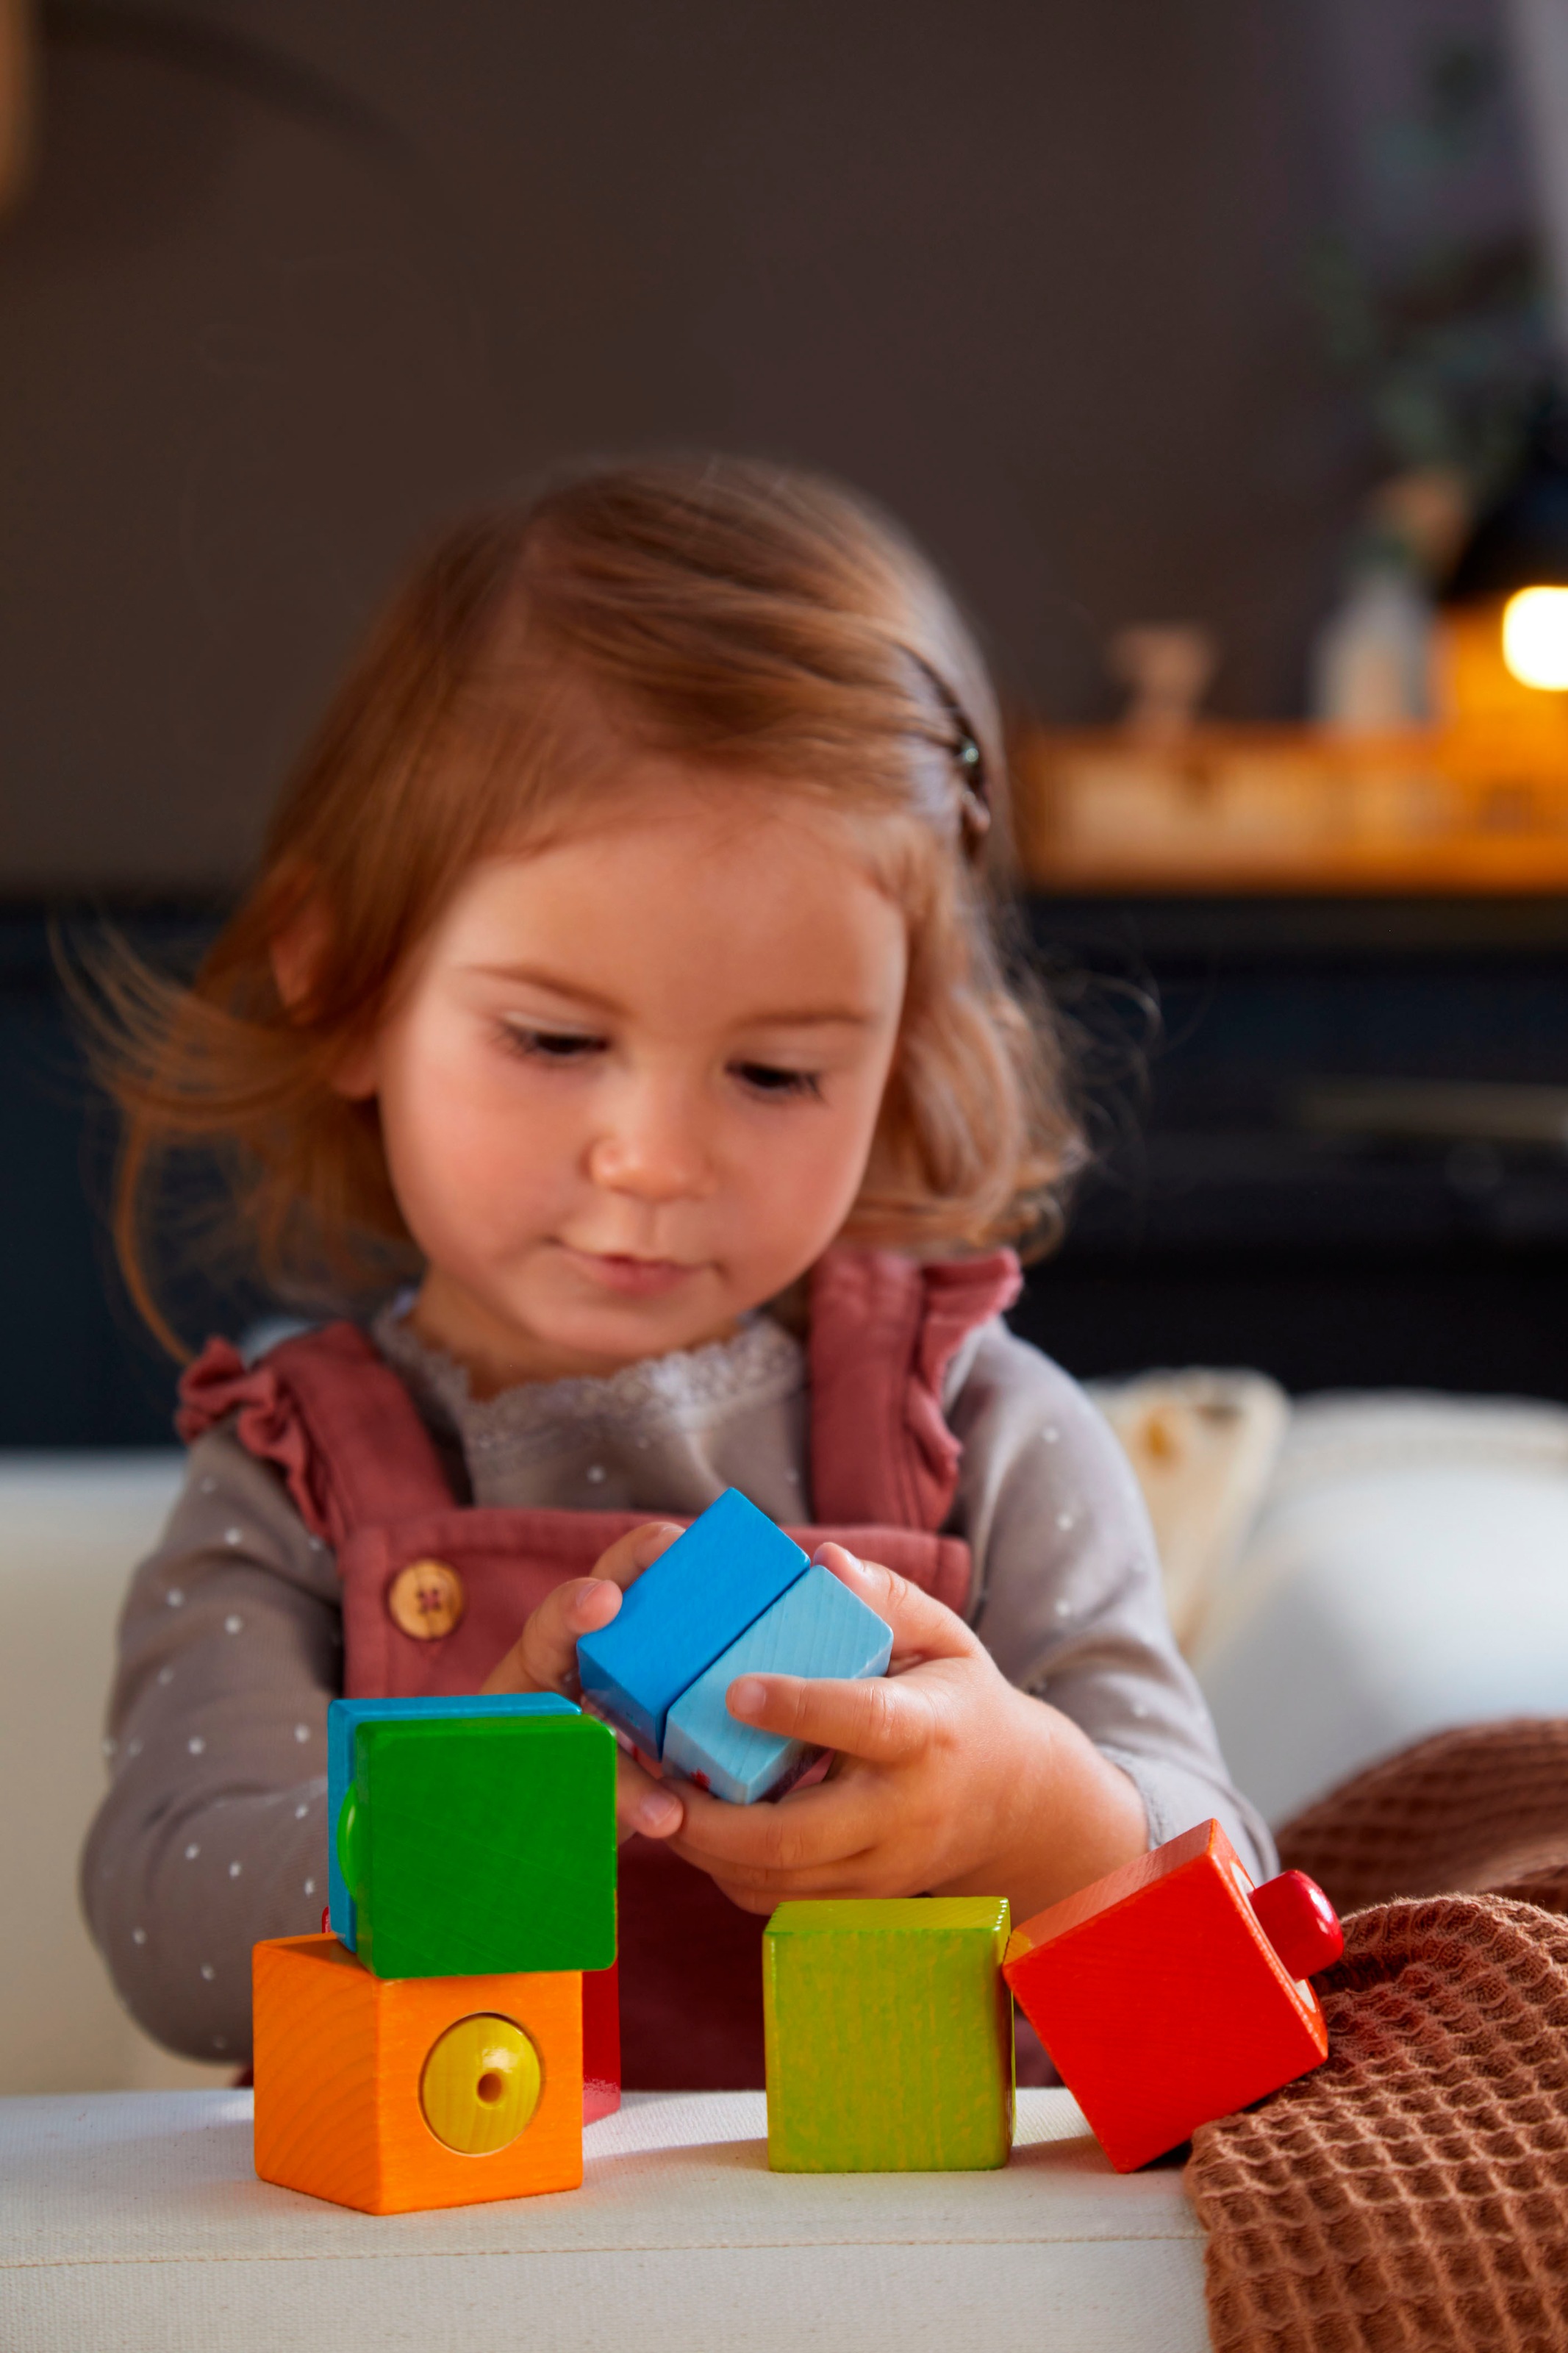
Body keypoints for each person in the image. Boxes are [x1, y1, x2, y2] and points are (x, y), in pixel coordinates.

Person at [81, 457, 1272, 2084]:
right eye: (556, 1038)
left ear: (902, 1058)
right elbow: (167, 1924)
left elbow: (1227, 1913)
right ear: (342, 983)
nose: (654, 1156)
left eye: (775, 1073)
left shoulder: (981, 1430)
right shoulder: (295, 1475)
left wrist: (1034, 1815)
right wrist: (479, 1806)